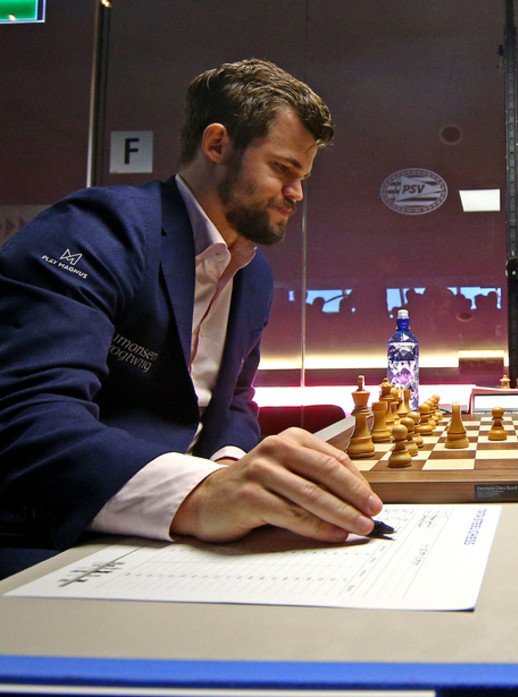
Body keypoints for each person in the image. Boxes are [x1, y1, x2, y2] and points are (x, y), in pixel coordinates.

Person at [0, 59, 384, 557]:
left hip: (177, 540)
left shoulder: (254, 272)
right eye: (283, 169)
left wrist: (228, 469)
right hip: (55, 535)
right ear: (218, 145)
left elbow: (235, 403)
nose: (297, 193)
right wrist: (204, 494)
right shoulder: (95, 231)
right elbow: (27, 420)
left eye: (303, 175)